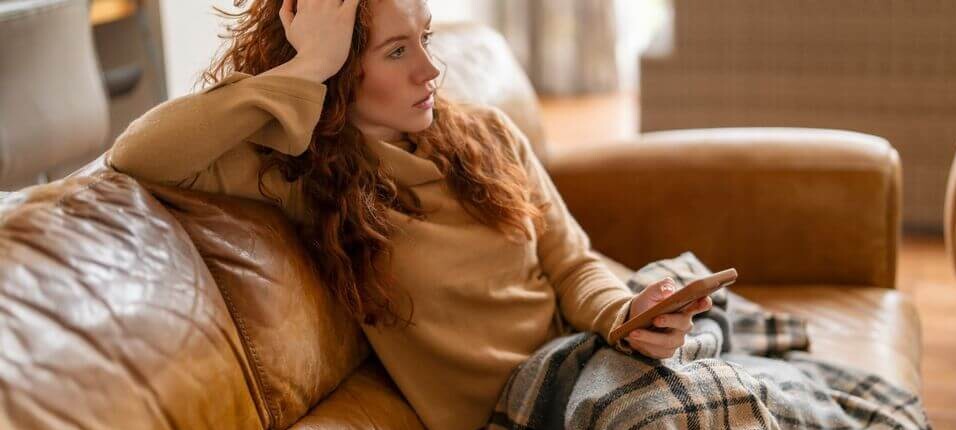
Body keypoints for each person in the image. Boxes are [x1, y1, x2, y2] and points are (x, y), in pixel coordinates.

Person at [108, 0, 713, 428]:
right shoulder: (298, 177)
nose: (429, 69)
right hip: (521, 405)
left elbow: (572, 262)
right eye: (397, 50)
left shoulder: (488, 134)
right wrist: (302, 69)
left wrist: (626, 314)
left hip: (588, 356)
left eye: (426, 37)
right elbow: (138, 153)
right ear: (341, 69)